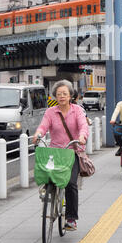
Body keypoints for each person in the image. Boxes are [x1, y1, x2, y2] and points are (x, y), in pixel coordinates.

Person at [33, 80, 89, 232]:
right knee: (47, 175)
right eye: (59, 94)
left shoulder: (77, 110)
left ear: (70, 95)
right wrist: (38, 134)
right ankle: (47, 192)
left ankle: (71, 218)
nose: (62, 96)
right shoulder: (50, 112)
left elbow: (83, 125)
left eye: (65, 94)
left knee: (71, 183)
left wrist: (83, 136)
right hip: (56, 152)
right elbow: (43, 126)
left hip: (73, 151)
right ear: (55, 97)